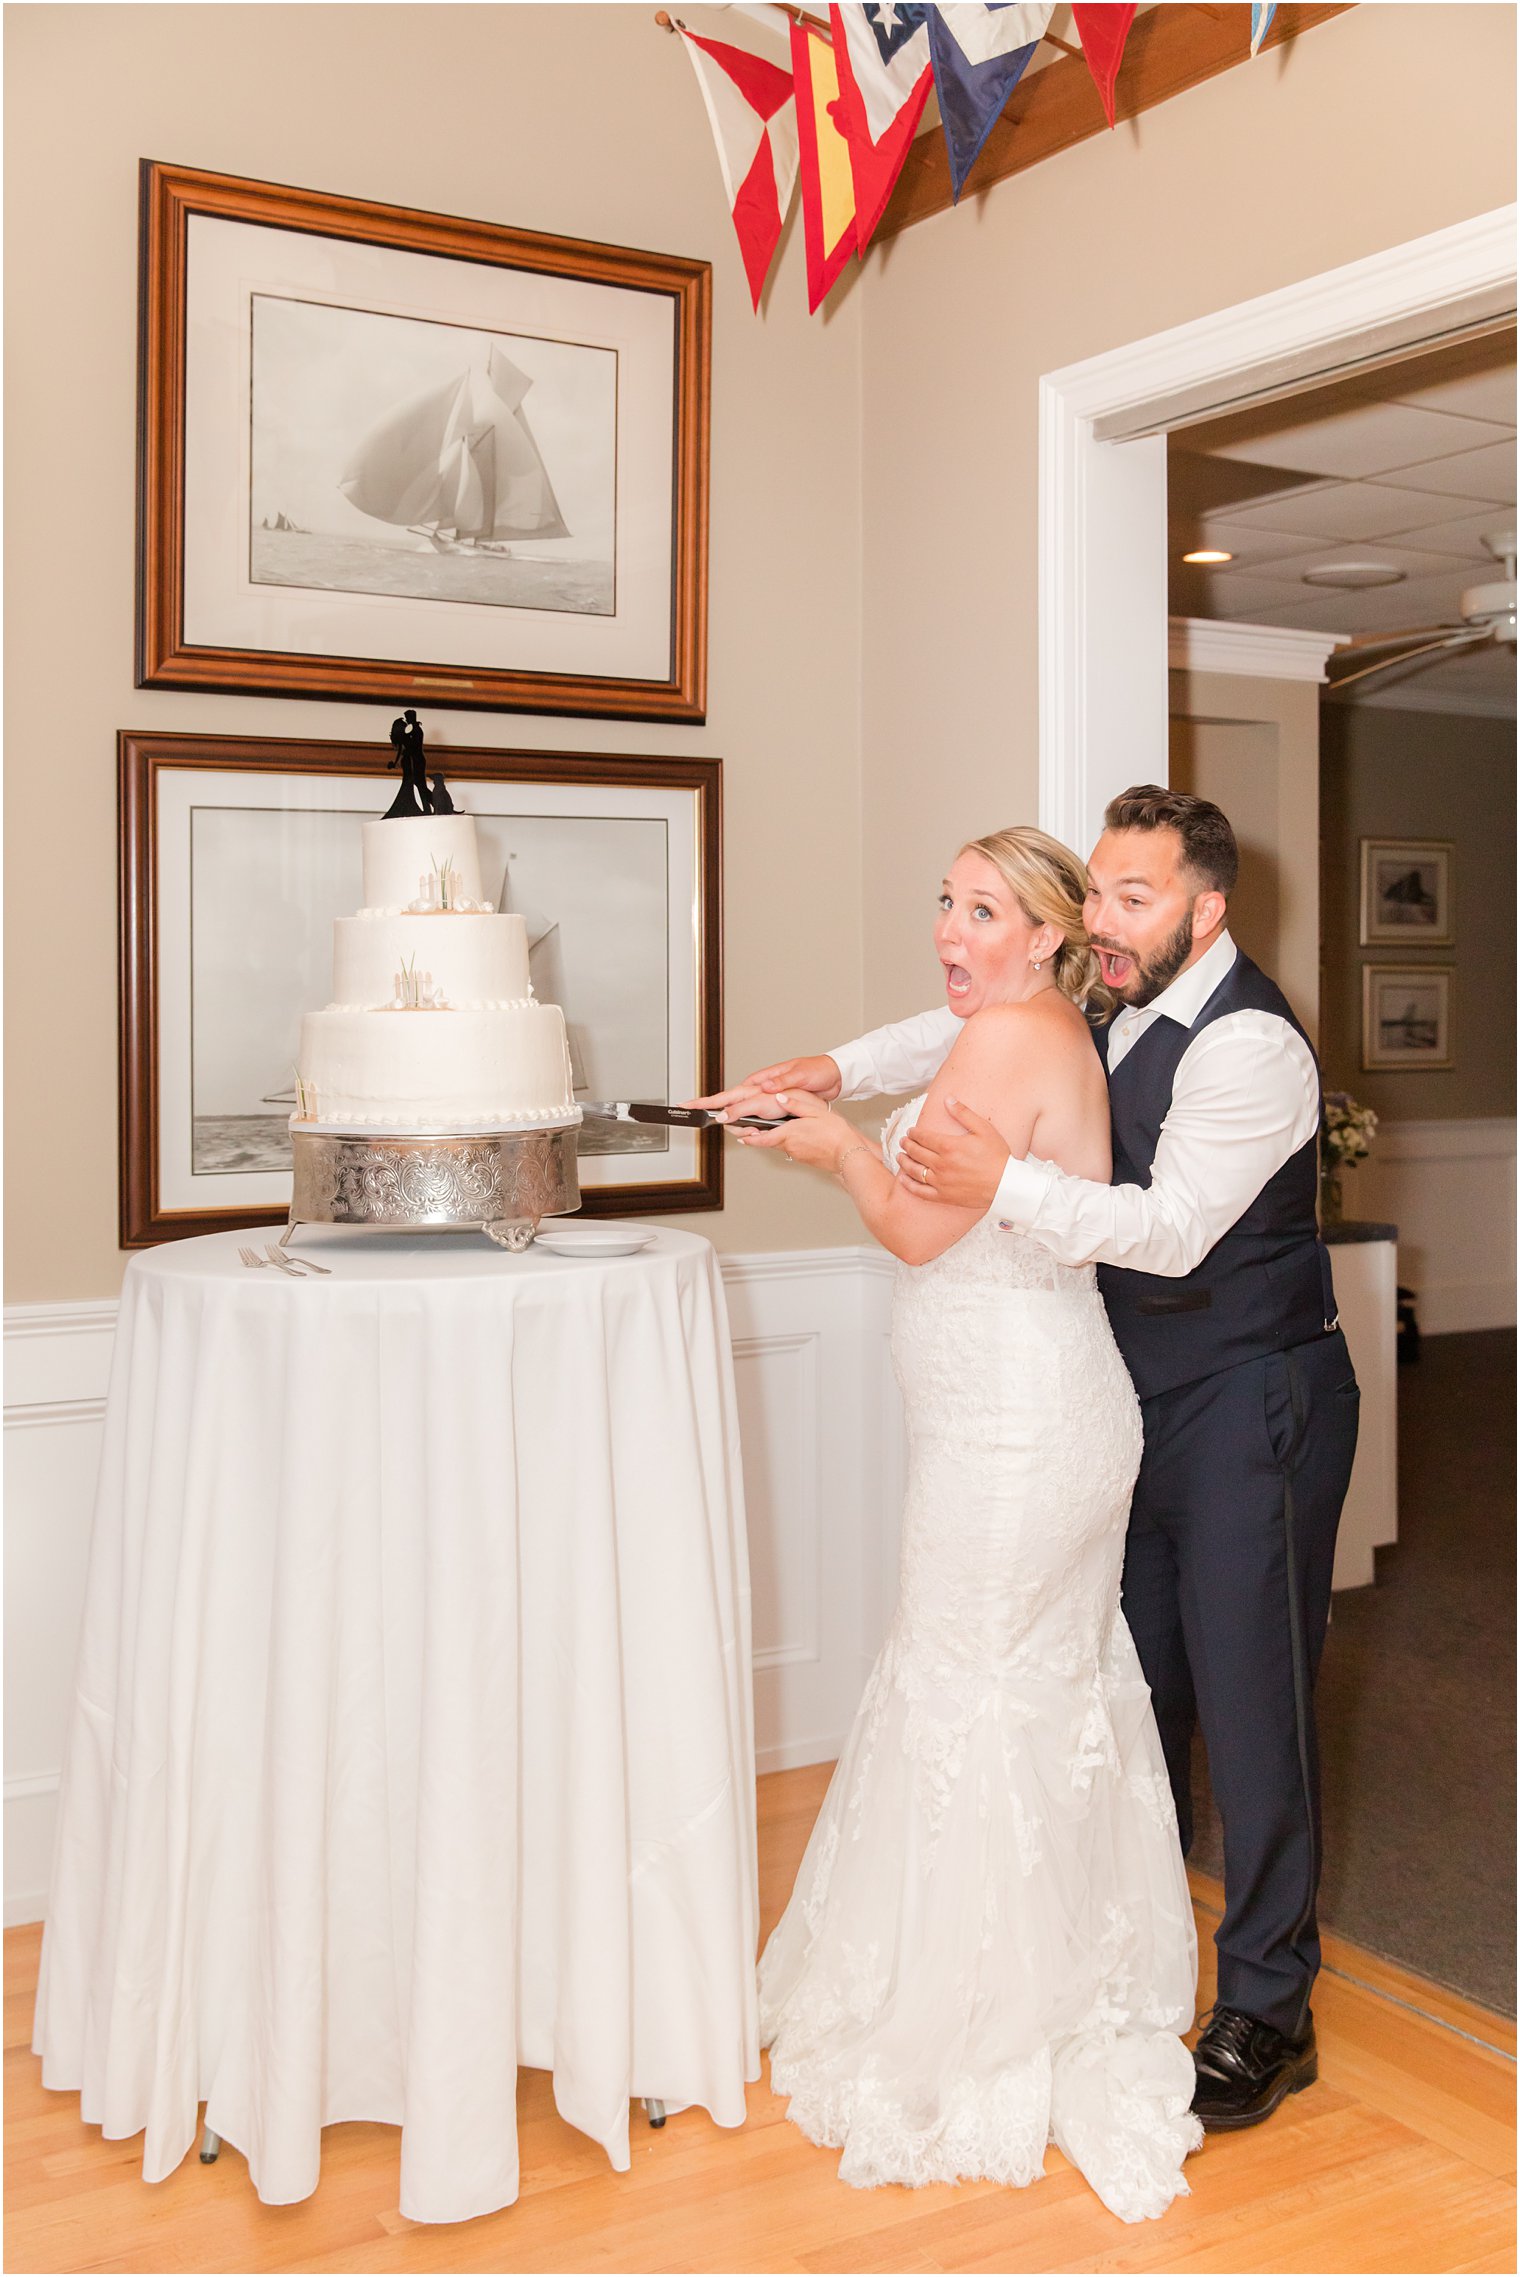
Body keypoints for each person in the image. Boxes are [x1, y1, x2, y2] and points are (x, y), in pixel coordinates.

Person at [707, 786, 1359, 2136]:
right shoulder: (1116, 997)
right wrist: (836, 1069)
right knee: (1139, 1695)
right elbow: (973, 1023)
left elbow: (1173, 1229)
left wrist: (993, 1180)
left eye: (1138, 899)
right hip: (1121, 1397)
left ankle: (1269, 2003)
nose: (1111, 926)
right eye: (1102, 896)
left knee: (1254, 1703)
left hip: (1252, 1400)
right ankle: (1125, 1962)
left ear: (1206, 906)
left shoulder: (1252, 1050)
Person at [717, 826, 1203, 2222]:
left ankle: (978, 2019)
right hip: (1038, 1415)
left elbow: (920, 1227)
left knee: (971, 1687)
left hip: (1016, 1429)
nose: (950, 926)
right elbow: (922, 1050)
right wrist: (836, 1076)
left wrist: (826, 1148)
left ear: (1047, 936)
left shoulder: (1003, 1040)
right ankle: (1056, 1972)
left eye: (983, 908)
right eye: (944, 899)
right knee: (1028, 1690)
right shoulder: (1030, 1022)